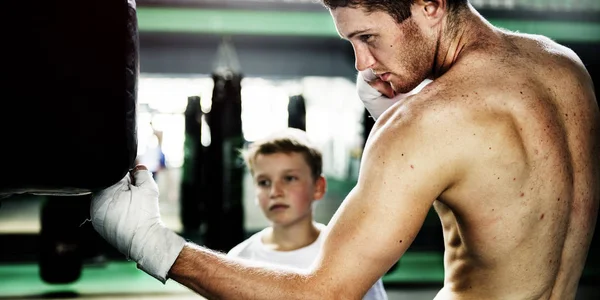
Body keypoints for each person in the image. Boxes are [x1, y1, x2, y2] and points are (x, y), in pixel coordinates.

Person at [90, 1, 599, 299]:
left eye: (367, 36)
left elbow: (322, 294)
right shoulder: (564, 68)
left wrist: (155, 246)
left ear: (430, 3)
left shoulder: (423, 124)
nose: (361, 62)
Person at [227, 128, 387, 300]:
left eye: (289, 178)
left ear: (318, 187)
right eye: (264, 182)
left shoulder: (348, 255)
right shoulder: (239, 259)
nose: (275, 191)